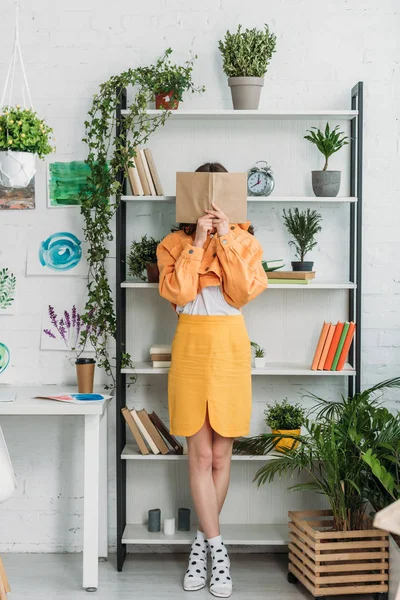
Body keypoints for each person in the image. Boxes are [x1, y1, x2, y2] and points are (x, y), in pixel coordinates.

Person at [156, 162, 268, 598]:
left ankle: (202, 546)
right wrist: (199, 241)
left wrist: (224, 238)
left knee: (222, 455)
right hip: (191, 346)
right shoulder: (173, 244)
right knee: (199, 455)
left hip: (230, 346)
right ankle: (218, 551)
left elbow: (241, 293)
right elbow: (180, 294)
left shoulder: (245, 243)